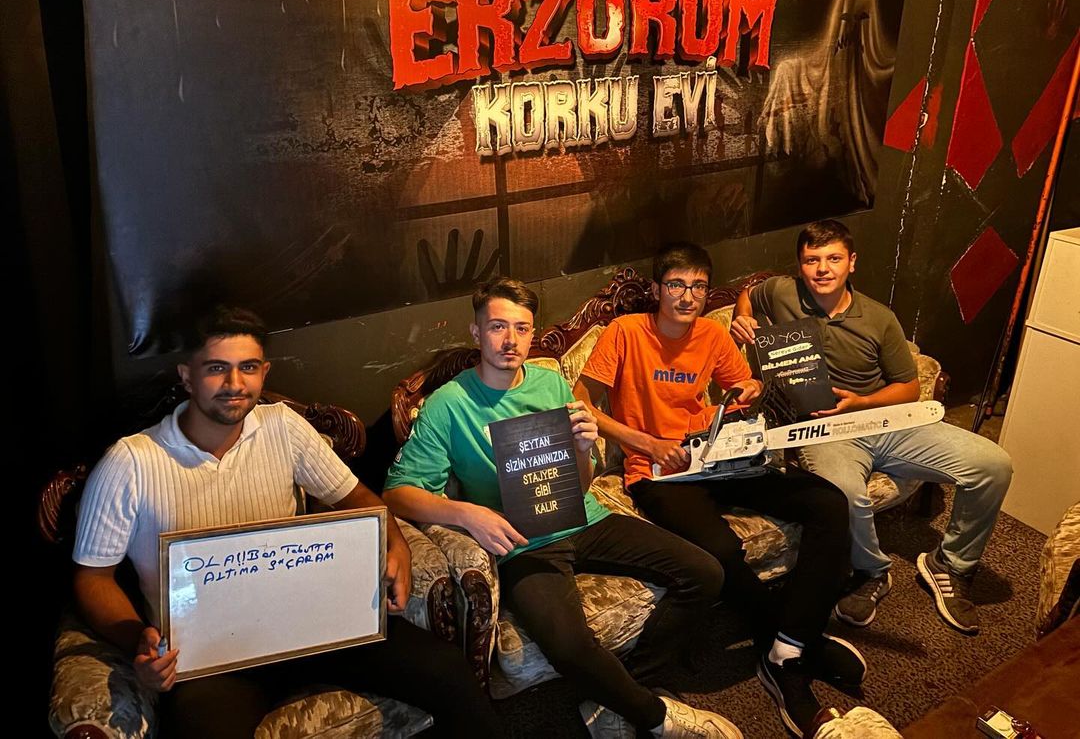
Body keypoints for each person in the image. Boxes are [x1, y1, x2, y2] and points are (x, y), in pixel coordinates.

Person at [73, 306, 500, 739]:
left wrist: (397, 544)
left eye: (248, 367)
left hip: (313, 625)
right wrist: (139, 641)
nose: (235, 383)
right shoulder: (130, 462)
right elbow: (93, 577)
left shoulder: (282, 426)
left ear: (264, 372)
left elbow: (358, 498)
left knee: (446, 670)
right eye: (217, 368)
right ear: (187, 376)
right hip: (211, 657)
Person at [383, 277, 742, 739]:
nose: (510, 341)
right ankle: (656, 717)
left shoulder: (551, 384)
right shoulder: (449, 404)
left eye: (521, 329)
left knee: (706, 572)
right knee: (568, 645)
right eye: (497, 327)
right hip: (521, 541)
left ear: (532, 334)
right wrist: (468, 513)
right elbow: (397, 493)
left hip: (582, 516)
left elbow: (582, 482)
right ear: (476, 332)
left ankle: (626, 691)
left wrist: (582, 450)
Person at [575, 243, 863, 738]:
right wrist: (643, 441)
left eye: (698, 287)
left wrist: (750, 389)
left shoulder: (711, 333)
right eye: (676, 285)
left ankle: (789, 642)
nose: (687, 296)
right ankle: (794, 644)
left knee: (828, 503)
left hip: (718, 455)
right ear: (657, 289)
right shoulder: (624, 332)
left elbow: (744, 384)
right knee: (720, 548)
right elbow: (579, 401)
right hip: (657, 470)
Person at [731, 219, 1013, 635]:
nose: (822, 269)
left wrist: (862, 401)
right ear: (799, 265)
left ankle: (951, 564)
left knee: (993, 465)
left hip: (884, 421)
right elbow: (749, 293)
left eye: (833, 259)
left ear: (852, 262)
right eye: (812, 260)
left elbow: (909, 388)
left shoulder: (879, 317)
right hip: (825, 431)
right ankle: (871, 571)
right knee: (843, 493)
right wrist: (742, 317)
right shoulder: (782, 292)